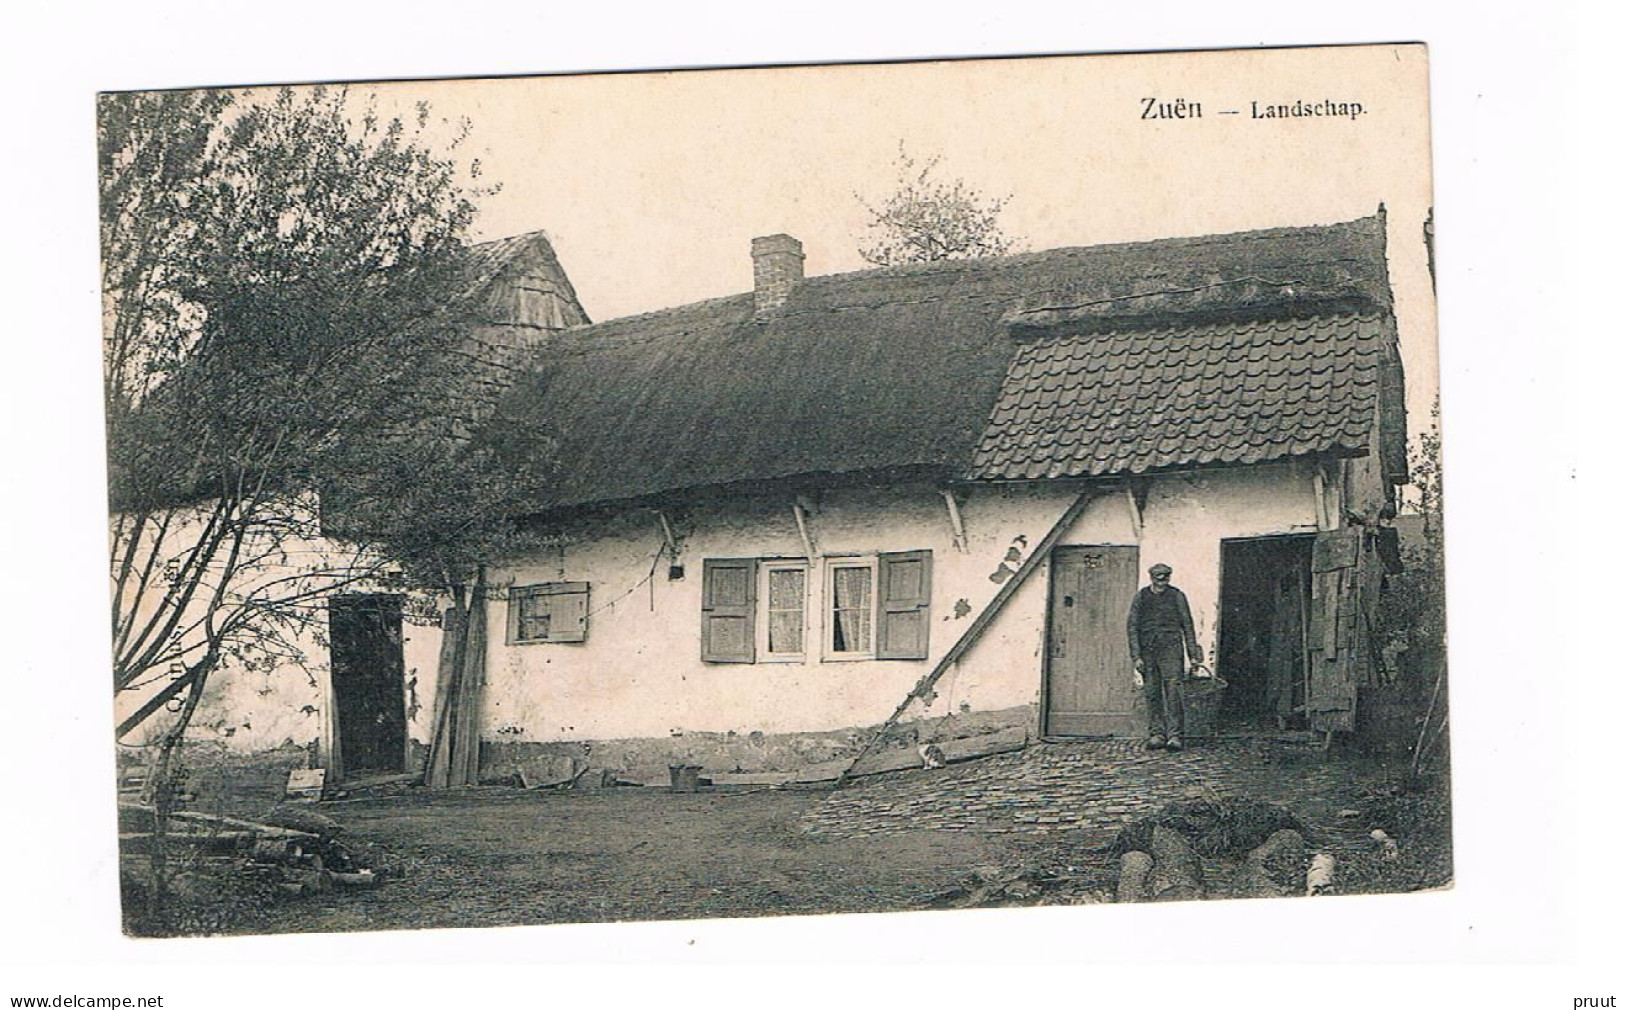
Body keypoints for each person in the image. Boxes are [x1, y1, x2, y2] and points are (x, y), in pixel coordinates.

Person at [1126, 563, 1203, 752]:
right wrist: (1136, 656)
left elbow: (1187, 625)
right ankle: (1157, 734)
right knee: (1152, 693)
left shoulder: (1177, 596)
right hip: (1148, 652)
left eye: (1165, 578)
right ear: (1151, 578)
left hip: (1171, 651)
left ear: (1169, 578)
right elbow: (1132, 627)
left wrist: (1193, 655)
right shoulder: (1141, 597)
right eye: (1157, 578)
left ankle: (1175, 735)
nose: (1161, 582)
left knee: (1173, 693)